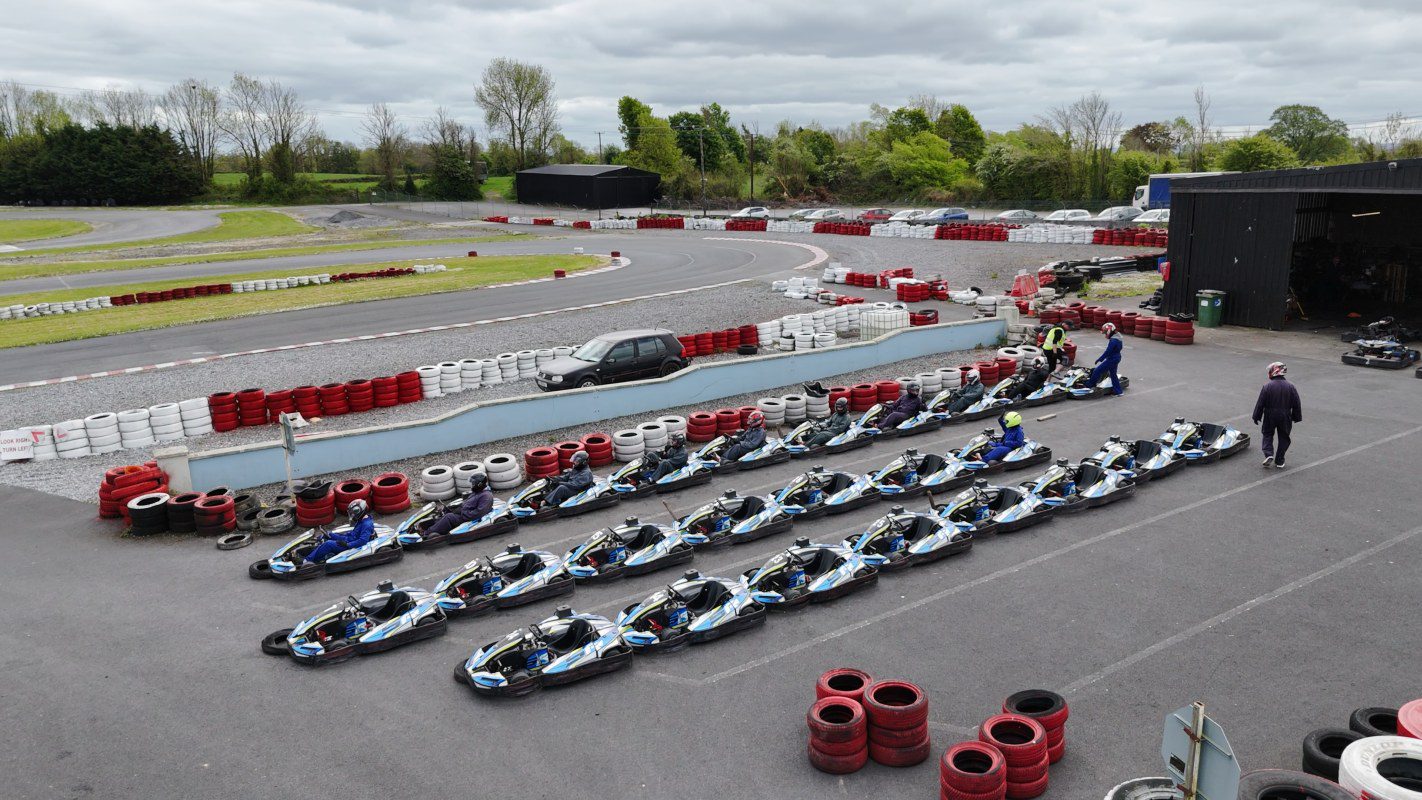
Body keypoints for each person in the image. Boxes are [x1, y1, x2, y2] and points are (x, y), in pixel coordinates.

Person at [1252, 361, 1302, 469]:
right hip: (1285, 415)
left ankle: (1269, 454)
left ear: (1274, 371)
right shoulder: (1291, 386)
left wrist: (1256, 416)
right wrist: (1297, 417)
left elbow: (1260, 403)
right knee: (1284, 437)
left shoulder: (1267, 386)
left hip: (1270, 414)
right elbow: (1296, 403)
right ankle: (1279, 460)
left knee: (1267, 434)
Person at [421, 473, 494, 538]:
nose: (472, 485)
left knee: (449, 517)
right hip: (464, 512)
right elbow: (467, 503)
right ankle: (426, 527)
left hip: (468, 518)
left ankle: (426, 534)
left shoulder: (486, 496)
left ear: (479, 484)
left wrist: (462, 512)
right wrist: (454, 507)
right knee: (443, 512)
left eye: (473, 483)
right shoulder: (477, 492)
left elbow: (479, 512)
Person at [306, 498, 376, 564]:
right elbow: (354, 534)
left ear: (359, 511)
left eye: (353, 513)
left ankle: (307, 561)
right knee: (328, 534)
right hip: (348, 539)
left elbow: (362, 541)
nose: (352, 515)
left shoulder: (367, 524)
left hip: (351, 545)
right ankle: (312, 552)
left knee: (328, 544)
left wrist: (347, 545)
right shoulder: (362, 520)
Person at [1087, 322, 1124, 396]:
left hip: (1112, 359)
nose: (1105, 334)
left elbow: (1108, 351)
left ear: (1109, 330)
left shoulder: (1114, 340)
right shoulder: (1118, 337)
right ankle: (1118, 392)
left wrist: (1100, 359)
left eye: (1105, 332)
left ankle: (1089, 386)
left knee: (1097, 371)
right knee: (1113, 375)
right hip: (1116, 357)